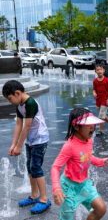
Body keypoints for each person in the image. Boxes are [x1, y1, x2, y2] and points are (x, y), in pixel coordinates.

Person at [51, 108, 108, 220]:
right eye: (88, 125)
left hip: (83, 185)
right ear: (76, 126)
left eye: (93, 124)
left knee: (101, 208)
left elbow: (87, 157)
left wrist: (100, 161)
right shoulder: (69, 146)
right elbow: (55, 167)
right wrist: (56, 188)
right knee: (67, 217)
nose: (92, 127)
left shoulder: (89, 141)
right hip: (68, 187)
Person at [2, 80, 51, 214]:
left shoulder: (30, 103)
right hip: (31, 140)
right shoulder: (19, 105)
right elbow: (18, 124)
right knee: (30, 167)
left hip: (40, 139)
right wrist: (14, 144)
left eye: (10, 98)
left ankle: (44, 199)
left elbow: (27, 126)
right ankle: (34, 195)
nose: (10, 101)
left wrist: (19, 146)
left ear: (17, 93)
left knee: (36, 167)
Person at [93, 64, 108, 135]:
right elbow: (94, 89)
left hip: (105, 100)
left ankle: (100, 130)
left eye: (100, 69)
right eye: (97, 70)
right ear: (95, 72)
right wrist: (94, 93)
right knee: (102, 115)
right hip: (98, 100)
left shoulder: (107, 81)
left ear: (103, 70)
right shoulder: (95, 81)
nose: (99, 71)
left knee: (101, 116)